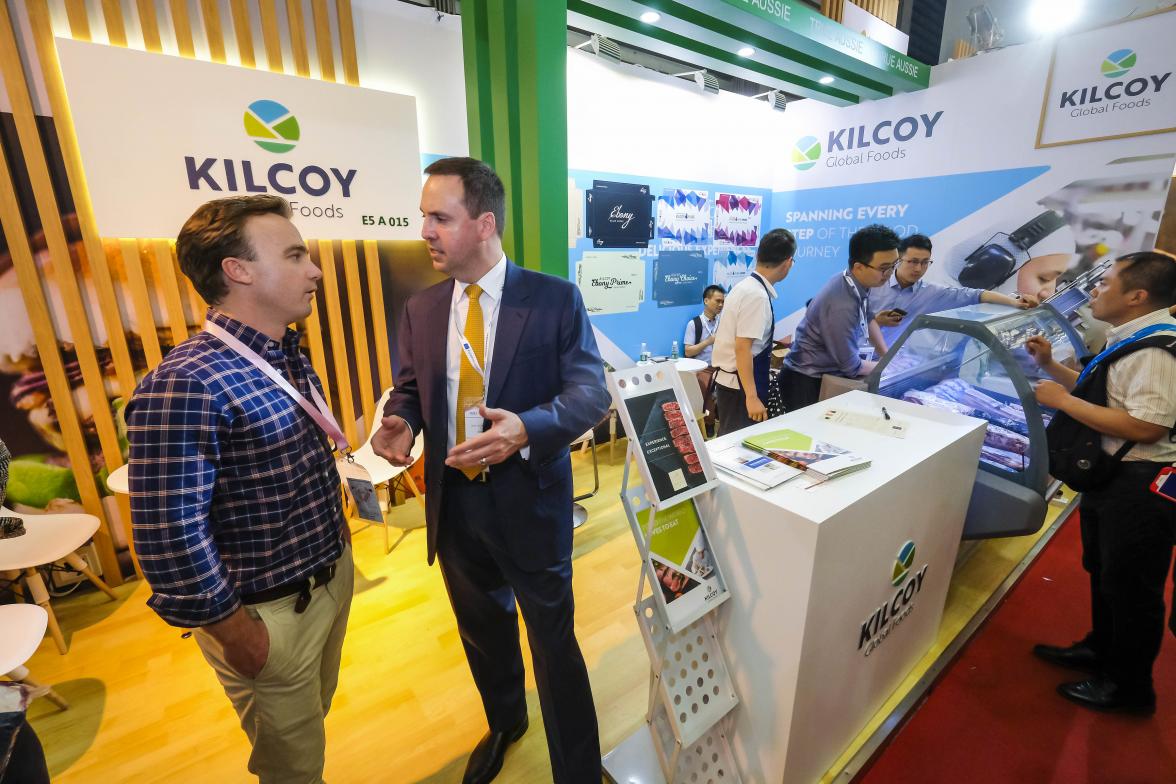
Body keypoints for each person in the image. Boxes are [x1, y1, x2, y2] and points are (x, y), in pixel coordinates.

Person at [371, 157, 609, 784]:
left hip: (530, 500)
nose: (424, 231)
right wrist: (403, 419)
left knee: (553, 643)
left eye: (438, 218)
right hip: (455, 508)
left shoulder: (555, 298)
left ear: (483, 224)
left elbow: (590, 393)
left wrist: (527, 426)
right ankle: (506, 721)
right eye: (423, 216)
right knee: (483, 631)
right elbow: (412, 388)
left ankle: (578, 770)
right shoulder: (422, 308)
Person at [125, 196, 353, 783]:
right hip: (267, 614)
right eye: (296, 255)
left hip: (326, 579)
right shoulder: (185, 383)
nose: (315, 271)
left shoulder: (283, 352)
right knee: (292, 767)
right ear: (238, 269)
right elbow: (169, 535)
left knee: (311, 723)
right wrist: (235, 632)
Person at [1027, 251, 1176, 715]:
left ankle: (1128, 688)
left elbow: (1146, 425)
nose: (1095, 289)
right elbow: (1107, 392)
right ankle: (1101, 650)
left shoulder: (1155, 350)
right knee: (1108, 576)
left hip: (1141, 485)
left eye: (1106, 282)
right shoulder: (1133, 338)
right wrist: (1052, 367)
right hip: (1115, 479)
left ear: (1137, 296)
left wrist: (1061, 403)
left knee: (1132, 589)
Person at [779, 224, 899, 412]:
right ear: (859, 267)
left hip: (821, 375)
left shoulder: (853, 281)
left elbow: (868, 317)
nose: (890, 273)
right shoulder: (841, 304)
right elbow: (851, 366)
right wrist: (890, 368)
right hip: (806, 381)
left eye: (894, 265)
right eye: (884, 268)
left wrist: (887, 355)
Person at [871, 234, 1038, 350]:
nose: (918, 268)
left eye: (925, 262)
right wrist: (874, 322)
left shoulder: (930, 293)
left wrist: (1015, 302)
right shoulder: (870, 284)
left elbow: (977, 295)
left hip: (882, 361)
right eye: (913, 262)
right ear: (898, 260)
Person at [710, 229, 796, 436]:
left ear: (758, 255)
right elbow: (743, 348)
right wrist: (751, 396)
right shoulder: (756, 295)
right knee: (736, 448)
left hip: (735, 383)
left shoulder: (745, 287)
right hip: (739, 387)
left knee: (731, 442)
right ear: (788, 262)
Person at [683, 284, 724, 433]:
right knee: (707, 398)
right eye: (717, 301)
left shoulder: (724, 322)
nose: (720, 305)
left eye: (722, 302)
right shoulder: (694, 324)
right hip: (703, 369)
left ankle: (719, 426)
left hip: (723, 368)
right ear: (706, 301)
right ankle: (709, 426)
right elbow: (688, 352)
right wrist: (708, 341)